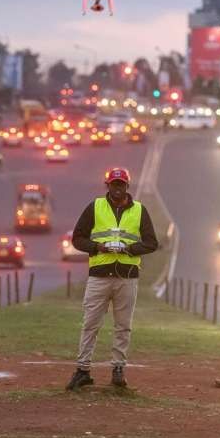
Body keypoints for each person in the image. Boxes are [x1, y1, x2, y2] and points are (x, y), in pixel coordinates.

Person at [66, 167, 158, 391]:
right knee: (90, 324)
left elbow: (151, 242)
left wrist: (129, 249)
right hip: (99, 276)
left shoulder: (139, 210)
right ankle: (83, 370)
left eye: (121, 185)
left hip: (127, 277)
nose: (118, 189)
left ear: (127, 186)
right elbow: (77, 238)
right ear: (108, 186)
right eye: (114, 185)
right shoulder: (95, 207)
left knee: (123, 326)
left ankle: (118, 369)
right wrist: (97, 247)